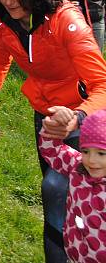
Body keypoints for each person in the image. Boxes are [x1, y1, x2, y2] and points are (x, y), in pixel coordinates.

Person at [0, 0, 106, 262]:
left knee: (58, 188)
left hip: (83, 116)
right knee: (55, 194)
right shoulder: (1, 20)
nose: (9, 1)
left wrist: (76, 117)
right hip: (45, 116)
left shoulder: (66, 19)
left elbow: (102, 83)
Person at [39, 108, 106, 263]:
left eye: (101, 153)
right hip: (74, 255)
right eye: (86, 151)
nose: (91, 160)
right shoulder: (77, 167)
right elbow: (52, 150)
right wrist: (56, 121)